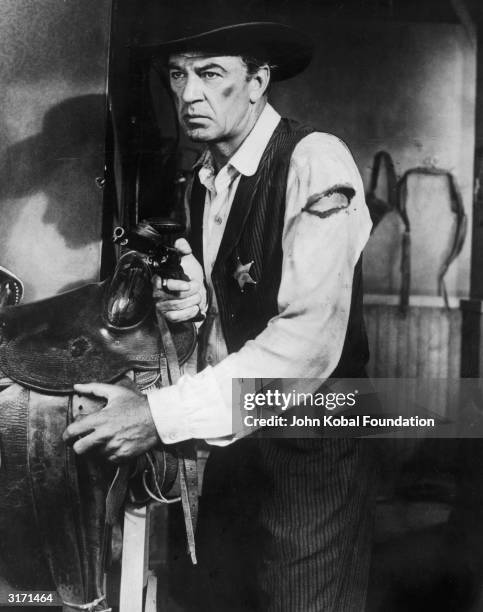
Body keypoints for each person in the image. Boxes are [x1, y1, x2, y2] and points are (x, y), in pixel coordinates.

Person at [64, 21, 377, 611]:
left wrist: (158, 415)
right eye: (178, 74)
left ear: (258, 81)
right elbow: (242, 298)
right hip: (237, 442)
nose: (188, 95)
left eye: (211, 74)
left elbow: (306, 343)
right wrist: (198, 306)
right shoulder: (204, 180)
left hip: (311, 449)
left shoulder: (314, 160)